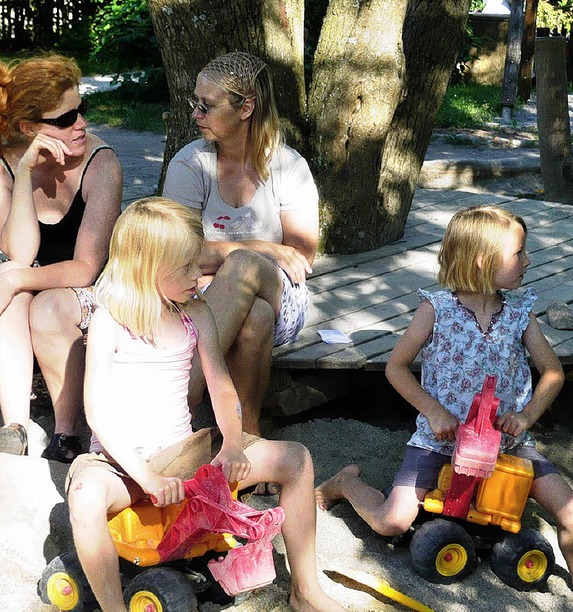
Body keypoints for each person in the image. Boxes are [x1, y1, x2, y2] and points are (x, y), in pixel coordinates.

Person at [67, 197, 342, 612]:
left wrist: (232, 443)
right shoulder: (110, 321)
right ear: (146, 267)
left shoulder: (195, 312)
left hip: (184, 451)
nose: (200, 275)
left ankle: (306, 590)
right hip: (121, 462)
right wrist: (144, 476)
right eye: (187, 267)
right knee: (85, 496)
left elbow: (221, 386)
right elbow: (97, 414)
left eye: (199, 264)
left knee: (297, 460)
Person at [315, 205, 573, 602]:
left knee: (570, 511)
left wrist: (526, 415)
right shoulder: (437, 309)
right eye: (519, 253)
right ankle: (346, 483)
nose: (528, 261)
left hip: (507, 444)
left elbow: (552, 372)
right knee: (392, 521)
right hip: (441, 440)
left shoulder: (520, 313)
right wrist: (433, 411)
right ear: (484, 261)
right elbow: (396, 367)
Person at [162, 52, 318, 462]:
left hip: (282, 294)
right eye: (195, 102)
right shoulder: (190, 164)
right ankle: (246, 440)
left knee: (246, 269)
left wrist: (232, 257)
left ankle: (179, 403)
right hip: (205, 297)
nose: (195, 114)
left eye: (207, 105)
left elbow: (300, 258)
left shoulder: (288, 167)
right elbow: (177, 252)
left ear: (246, 107)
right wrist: (260, 246)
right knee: (253, 317)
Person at [0, 54, 122, 460]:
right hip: (32, 285)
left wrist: (16, 279)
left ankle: (67, 432)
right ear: (29, 128)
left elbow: (86, 269)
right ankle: (17, 427)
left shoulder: (100, 163)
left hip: (86, 294)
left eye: (81, 109)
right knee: (16, 293)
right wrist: (22, 177)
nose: (81, 124)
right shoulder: (5, 164)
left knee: (34, 296)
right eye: (65, 118)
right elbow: (19, 252)